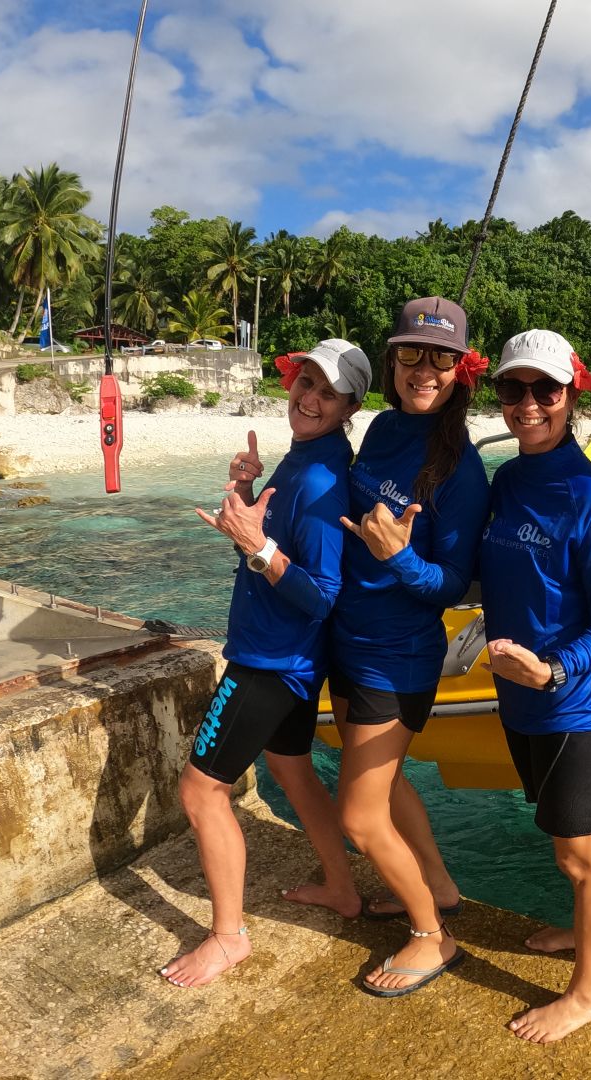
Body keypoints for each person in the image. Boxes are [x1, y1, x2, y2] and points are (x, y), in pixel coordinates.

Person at [162, 339, 370, 987]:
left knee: (201, 792)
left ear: (350, 406)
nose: (307, 397)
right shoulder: (309, 458)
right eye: (303, 382)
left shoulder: (322, 477)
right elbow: (278, 547)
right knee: (293, 769)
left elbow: (321, 596)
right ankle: (343, 888)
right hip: (291, 662)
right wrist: (249, 498)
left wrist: (255, 546)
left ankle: (228, 938)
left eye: (325, 392)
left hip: (271, 663)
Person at [329, 297, 490, 997]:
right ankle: (441, 887)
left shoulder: (461, 466)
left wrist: (398, 557)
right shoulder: (385, 428)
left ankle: (432, 935)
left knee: (359, 817)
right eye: (412, 354)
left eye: (441, 357)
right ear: (391, 360)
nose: (424, 369)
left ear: (462, 370)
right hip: (351, 637)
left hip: (395, 655)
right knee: (388, 786)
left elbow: (452, 586)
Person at [479, 329, 591, 1043]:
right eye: (515, 389)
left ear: (573, 396)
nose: (529, 404)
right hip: (520, 701)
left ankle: (588, 994)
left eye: (546, 390)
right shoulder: (508, 481)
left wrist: (556, 668)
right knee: (564, 847)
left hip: (579, 703)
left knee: (581, 852)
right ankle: (584, 931)